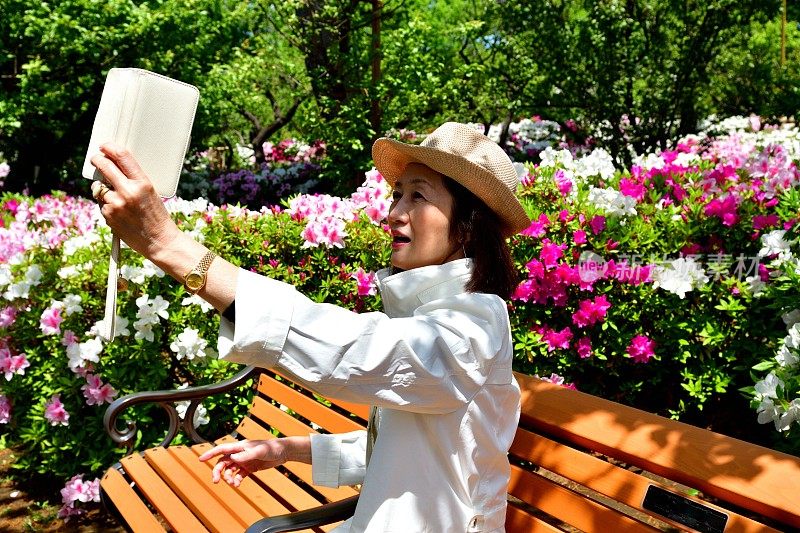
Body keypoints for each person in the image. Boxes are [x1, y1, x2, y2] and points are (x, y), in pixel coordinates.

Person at [90, 121, 531, 532]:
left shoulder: (476, 322)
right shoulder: (429, 315)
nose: (394, 212)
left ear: (470, 226)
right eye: (398, 194)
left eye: (418, 196)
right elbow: (409, 450)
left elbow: (361, 352)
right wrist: (284, 450)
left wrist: (170, 245)